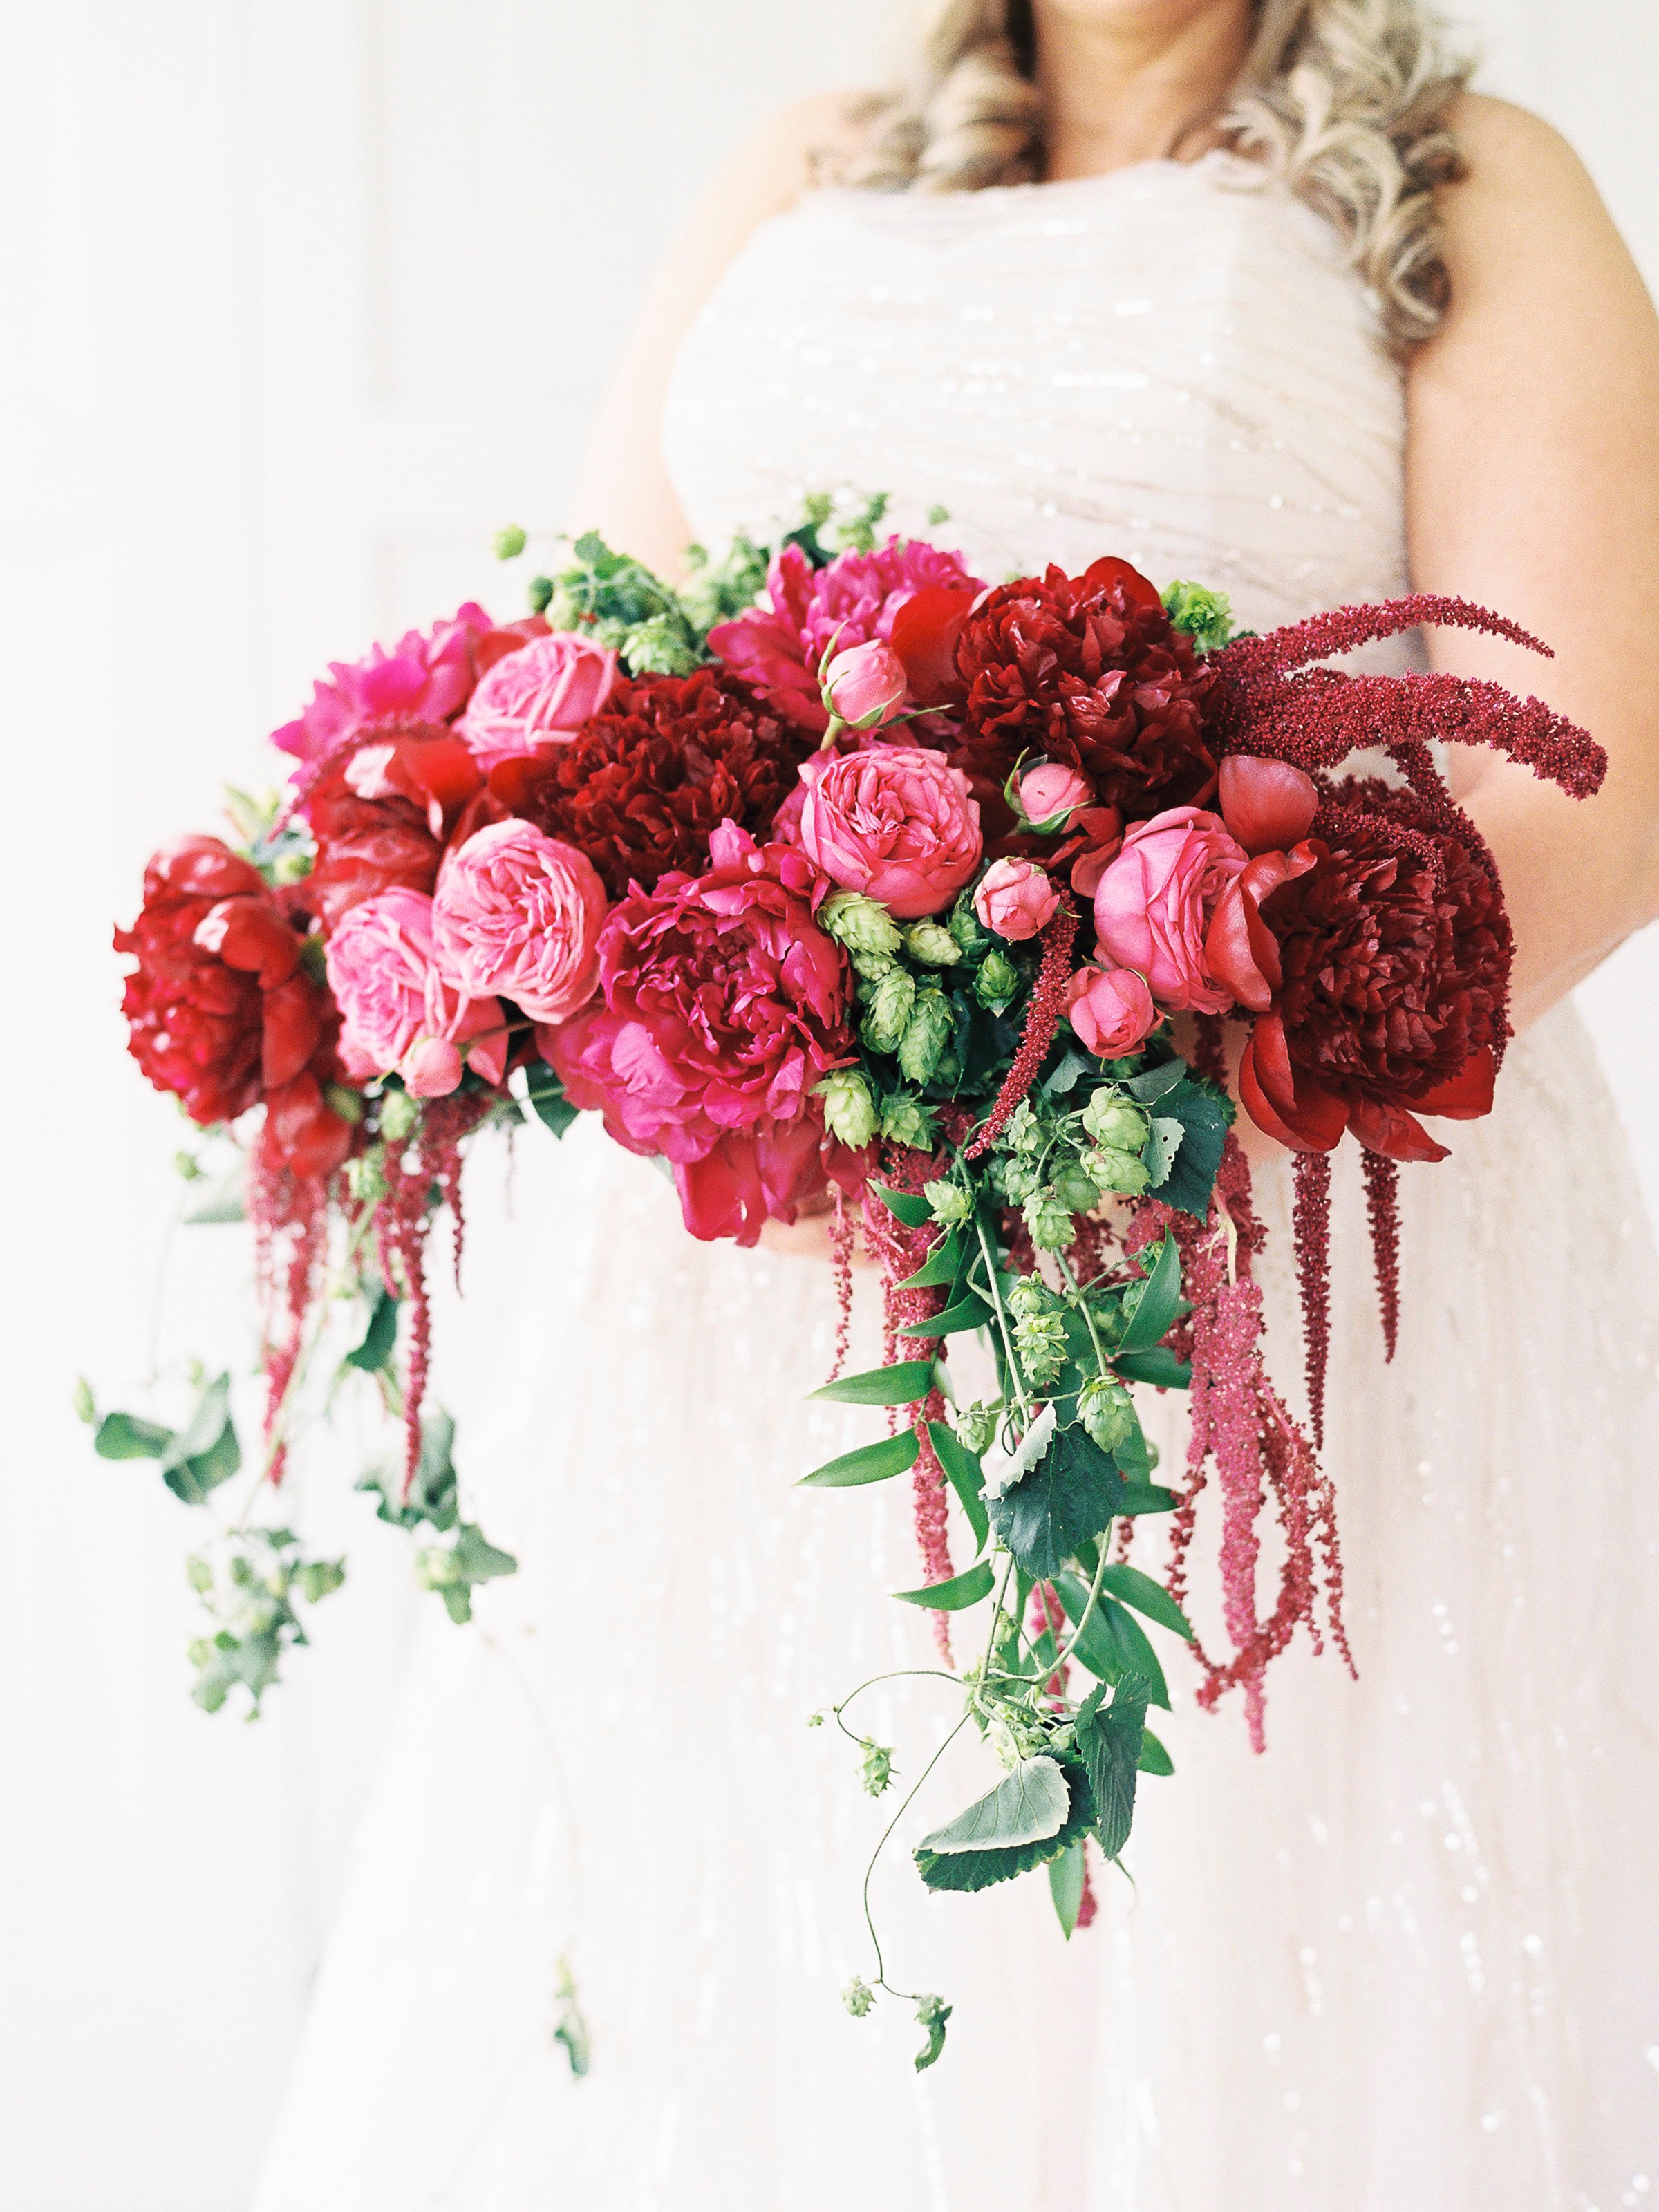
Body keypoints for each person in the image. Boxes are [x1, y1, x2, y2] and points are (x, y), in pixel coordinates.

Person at [254, 3, 1659, 2204]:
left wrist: (1113, 1077)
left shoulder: (1475, 180)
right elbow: (592, 663)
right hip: (776, 1272)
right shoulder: (805, 166)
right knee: (786, 1944)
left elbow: (1590, 774)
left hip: (1247, 1251)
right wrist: (651, 998)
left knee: (1241, 1946)